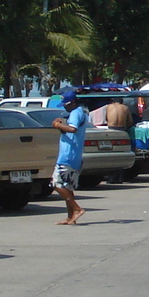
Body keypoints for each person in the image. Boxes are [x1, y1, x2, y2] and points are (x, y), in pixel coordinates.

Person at [50, 87, 90, 225]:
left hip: (68, 155)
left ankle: (77, 209)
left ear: (72, 102)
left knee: (56, 184)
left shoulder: (75, 113)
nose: (65, 108)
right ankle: (70, 217)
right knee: (67, 186)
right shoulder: (81, 112)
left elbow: (73, 129)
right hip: (74, 155)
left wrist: (57, 125)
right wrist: (62, 126)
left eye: (66, 105)